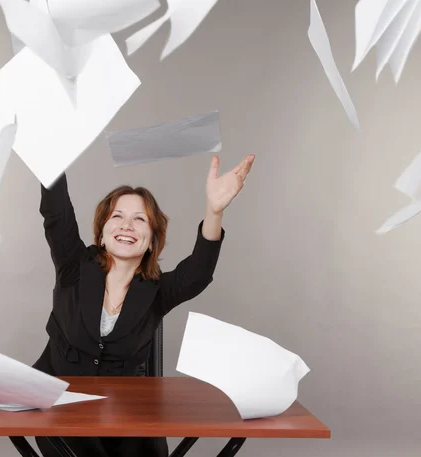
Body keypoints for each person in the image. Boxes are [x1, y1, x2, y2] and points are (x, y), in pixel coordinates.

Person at [32, 154, 255, 457]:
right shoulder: (74, 266)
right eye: (117, 216)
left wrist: (214, 211)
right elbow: (56, 213)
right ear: (101, 232)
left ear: (151, 241)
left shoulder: (157, 290)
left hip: (127, 419)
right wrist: (52, 151)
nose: (127, 225)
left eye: (140, 219)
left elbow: (198, 273)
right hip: (60, 411)